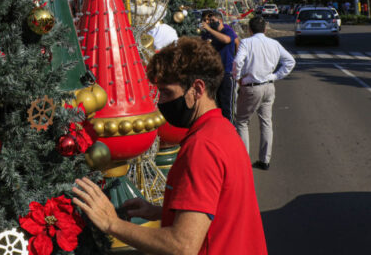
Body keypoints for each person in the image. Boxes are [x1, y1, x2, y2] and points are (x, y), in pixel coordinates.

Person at [72, 37, 267, 255]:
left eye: (167, 93)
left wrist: (111, 223)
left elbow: (182, 246)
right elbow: (218, 211)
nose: (161, 102)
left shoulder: (202, 147)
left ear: (197, 89)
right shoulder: (223, 131)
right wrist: (159, 212)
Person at [232, 15, 295, 171]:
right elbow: (290, 61)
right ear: (265, 29)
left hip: (252, 87)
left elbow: (237, 62)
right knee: (266, 122)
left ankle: (243, 160)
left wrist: (238, 77)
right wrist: (275, 75)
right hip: (269, 86)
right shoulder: (274, 43)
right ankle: (265, 159)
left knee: (242, 121)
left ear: (249, 29)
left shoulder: (246, 42)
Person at [199, 10, 239, 121]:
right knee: (215, 103)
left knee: (227, 105)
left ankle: (230, 128)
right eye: (208, 20)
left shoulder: (227, 30)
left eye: (212, 20)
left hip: (226, 72)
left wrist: (237, 59)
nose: (210, 22)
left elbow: (228, 40)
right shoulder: (208, 33)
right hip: (213, 72)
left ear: (220, 20)